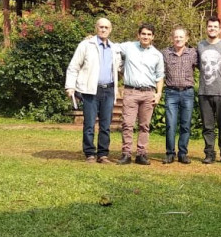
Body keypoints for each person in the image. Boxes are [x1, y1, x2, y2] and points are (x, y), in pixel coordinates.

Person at [65, 17, 122, 163]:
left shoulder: (115, 48)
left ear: (111, 30)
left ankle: (103, 155)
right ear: (96, 28)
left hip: (108, 90)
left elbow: (120, 67)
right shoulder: (85, 45)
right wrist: (70, 86)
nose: (103, 29)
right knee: (89, 124)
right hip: (91, 90)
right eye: (101, 27)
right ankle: (90, 153)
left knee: (105, 125)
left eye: (106, 27)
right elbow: (74, 66)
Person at [116, 24, 164, 165]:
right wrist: (91, 39)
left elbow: (159, 76)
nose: (146, 37)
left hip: (148, 93)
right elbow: (112, 47)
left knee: (144, 125)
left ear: (153, 37)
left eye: (149, 34)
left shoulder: (157, 55)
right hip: (131, 91)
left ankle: (141, 154)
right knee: (127, 124)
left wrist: (159, 93)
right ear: (138, 35)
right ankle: (126, 154)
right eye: (143, 34)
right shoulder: (129, 47)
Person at [197, 16, 221, 164]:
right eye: (210, 26)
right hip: (204, 92)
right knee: (207, 126)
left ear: (219, 29)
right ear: (206, 28)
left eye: (215, 26)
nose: (212, 29)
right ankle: (209, 153)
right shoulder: (200, 46)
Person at [161, 27, 199, 164]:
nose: (178, 39)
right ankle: (170, 153)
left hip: (187, 92)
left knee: (185, 125)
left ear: (186, 39)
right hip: (171, 93)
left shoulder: (193, 53)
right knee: (170, 124)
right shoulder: (165, 53)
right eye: (176, 37)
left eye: (181, 37)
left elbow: (204, 66)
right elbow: (159, 72)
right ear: (172, 38)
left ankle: (183, 153)